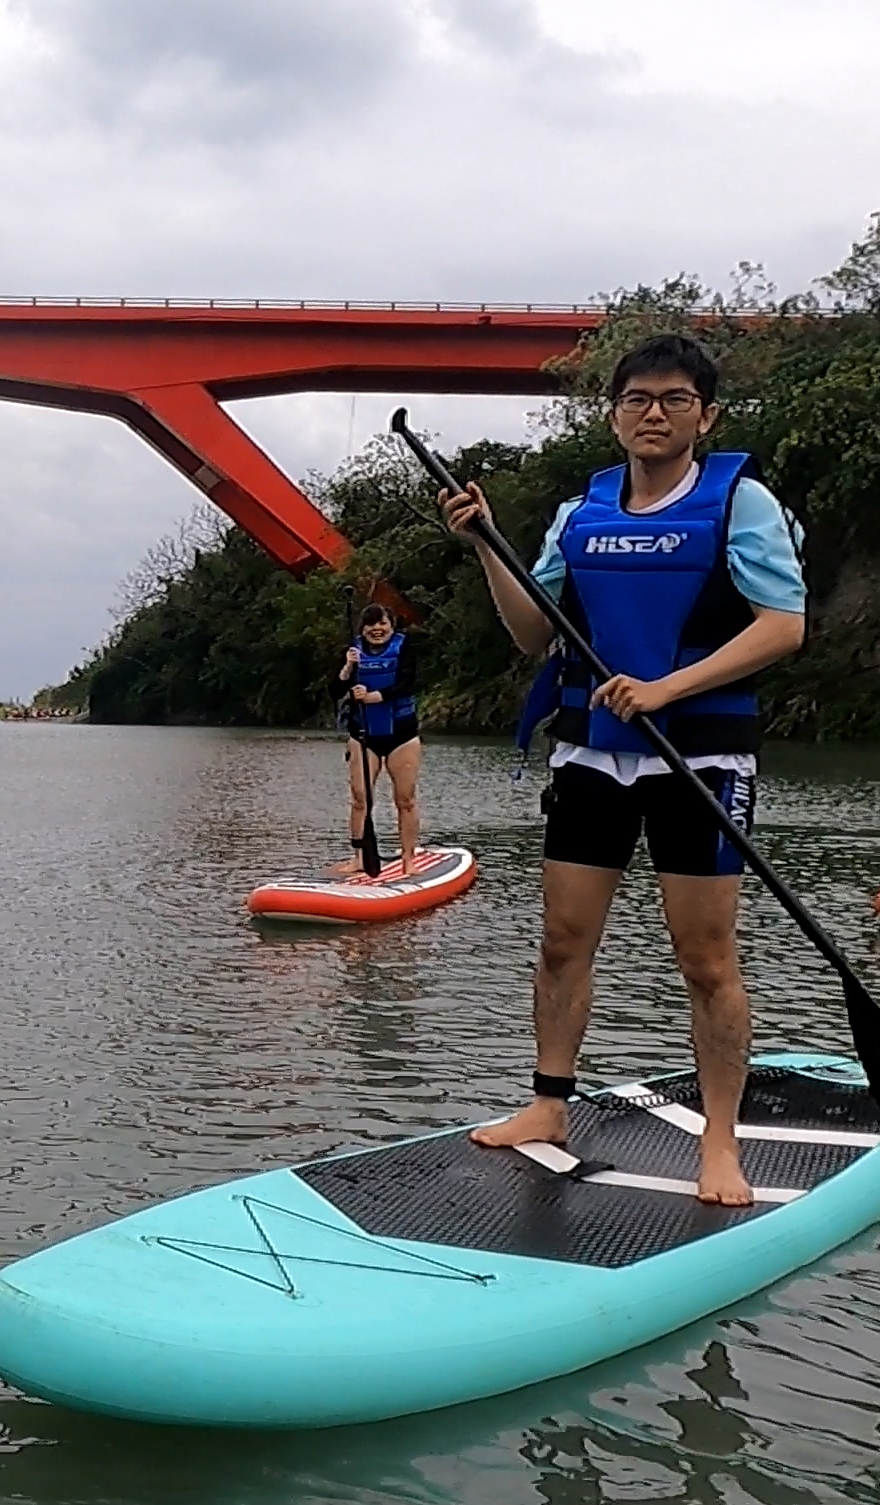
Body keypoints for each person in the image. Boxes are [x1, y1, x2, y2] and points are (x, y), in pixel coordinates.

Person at [442, 334, 807, 1208]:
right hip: (592, 756)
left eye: (675, 399)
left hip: (701, 756)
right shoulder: (581, 513)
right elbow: (534, 633)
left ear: (704, 415)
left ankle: (720, 1141)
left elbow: (783, 625)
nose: (654, 413)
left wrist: (666, 687)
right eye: (637, 399)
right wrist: (487, 544)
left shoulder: (740, 503)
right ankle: (547, 1105)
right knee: (563, 942)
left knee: (705, 958)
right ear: (612, 414)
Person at [331, 603, 423, 876]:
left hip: (401, 735)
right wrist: (348, 668)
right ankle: (359, 857)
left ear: (391, 626)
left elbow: (408, 682)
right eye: (371, 625)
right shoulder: (353, 651)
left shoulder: (404, 647)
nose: (377, 629)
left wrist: (376, 697)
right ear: (362, 628)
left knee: (404, 799)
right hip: (363, 735)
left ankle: (408, 860)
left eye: (382, 624)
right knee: (360, 799)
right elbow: (335, 690)